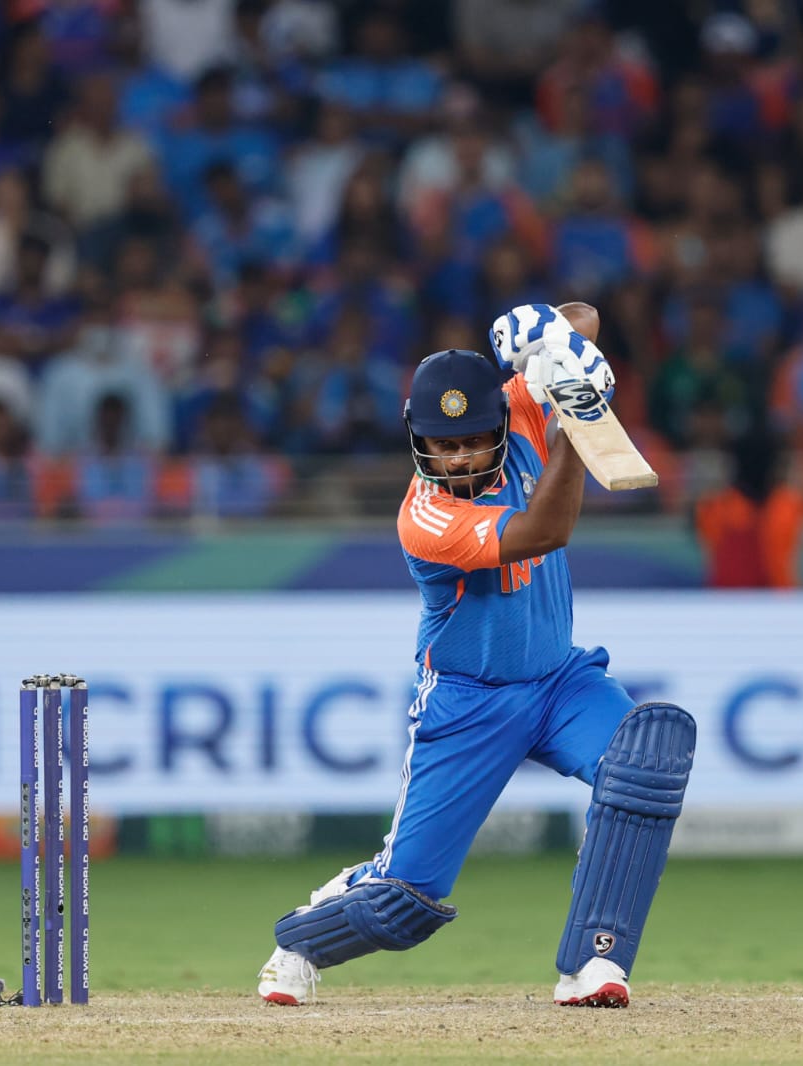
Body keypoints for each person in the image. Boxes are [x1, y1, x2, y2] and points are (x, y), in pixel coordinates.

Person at [256, 302, 695, 1009]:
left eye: (472, 440)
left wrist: (548, 335)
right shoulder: (424, 517)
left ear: (500, 422)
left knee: (644, 763)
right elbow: (545, 531)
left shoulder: (519, 409)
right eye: (442, 444)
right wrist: (575, 422)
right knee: (405, 903)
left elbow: (584, 319)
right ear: (417, 439)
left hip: (559, 681)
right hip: (468, 702)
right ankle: (304, 937)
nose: (458, 457)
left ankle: (595, 962)